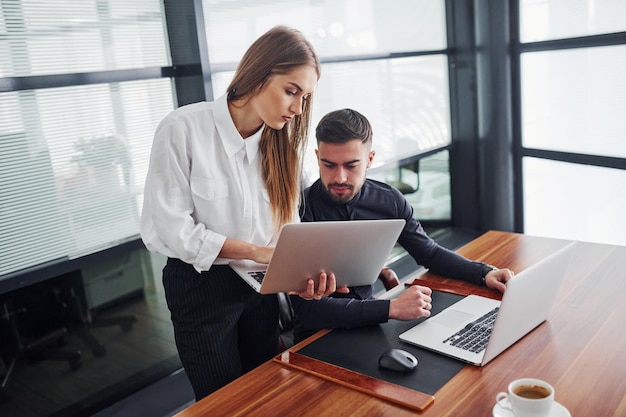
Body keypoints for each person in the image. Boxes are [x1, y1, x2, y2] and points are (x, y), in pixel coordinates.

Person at [140, 26, 347, 401]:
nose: (299, 109)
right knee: (222, 401)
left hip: (260, 285)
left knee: (266, 390)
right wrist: (256, 252)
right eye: (291, 91)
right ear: (258, 74)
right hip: (201, 286)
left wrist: (301, 273)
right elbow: (173, 231)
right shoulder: (183, 128)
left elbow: (287, 231)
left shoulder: (282, 147)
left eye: (305, 97)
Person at [290, 108, 514, 343]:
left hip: (370, 326)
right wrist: (391, 308)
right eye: (329, 165)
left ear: (370, 159)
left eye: (351, 165)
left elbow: (429, 252)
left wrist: (484, 273)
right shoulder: (299, 212)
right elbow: (309, 312)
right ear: (317, 157)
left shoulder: (389, 200)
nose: (340, 178)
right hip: (316, 339)